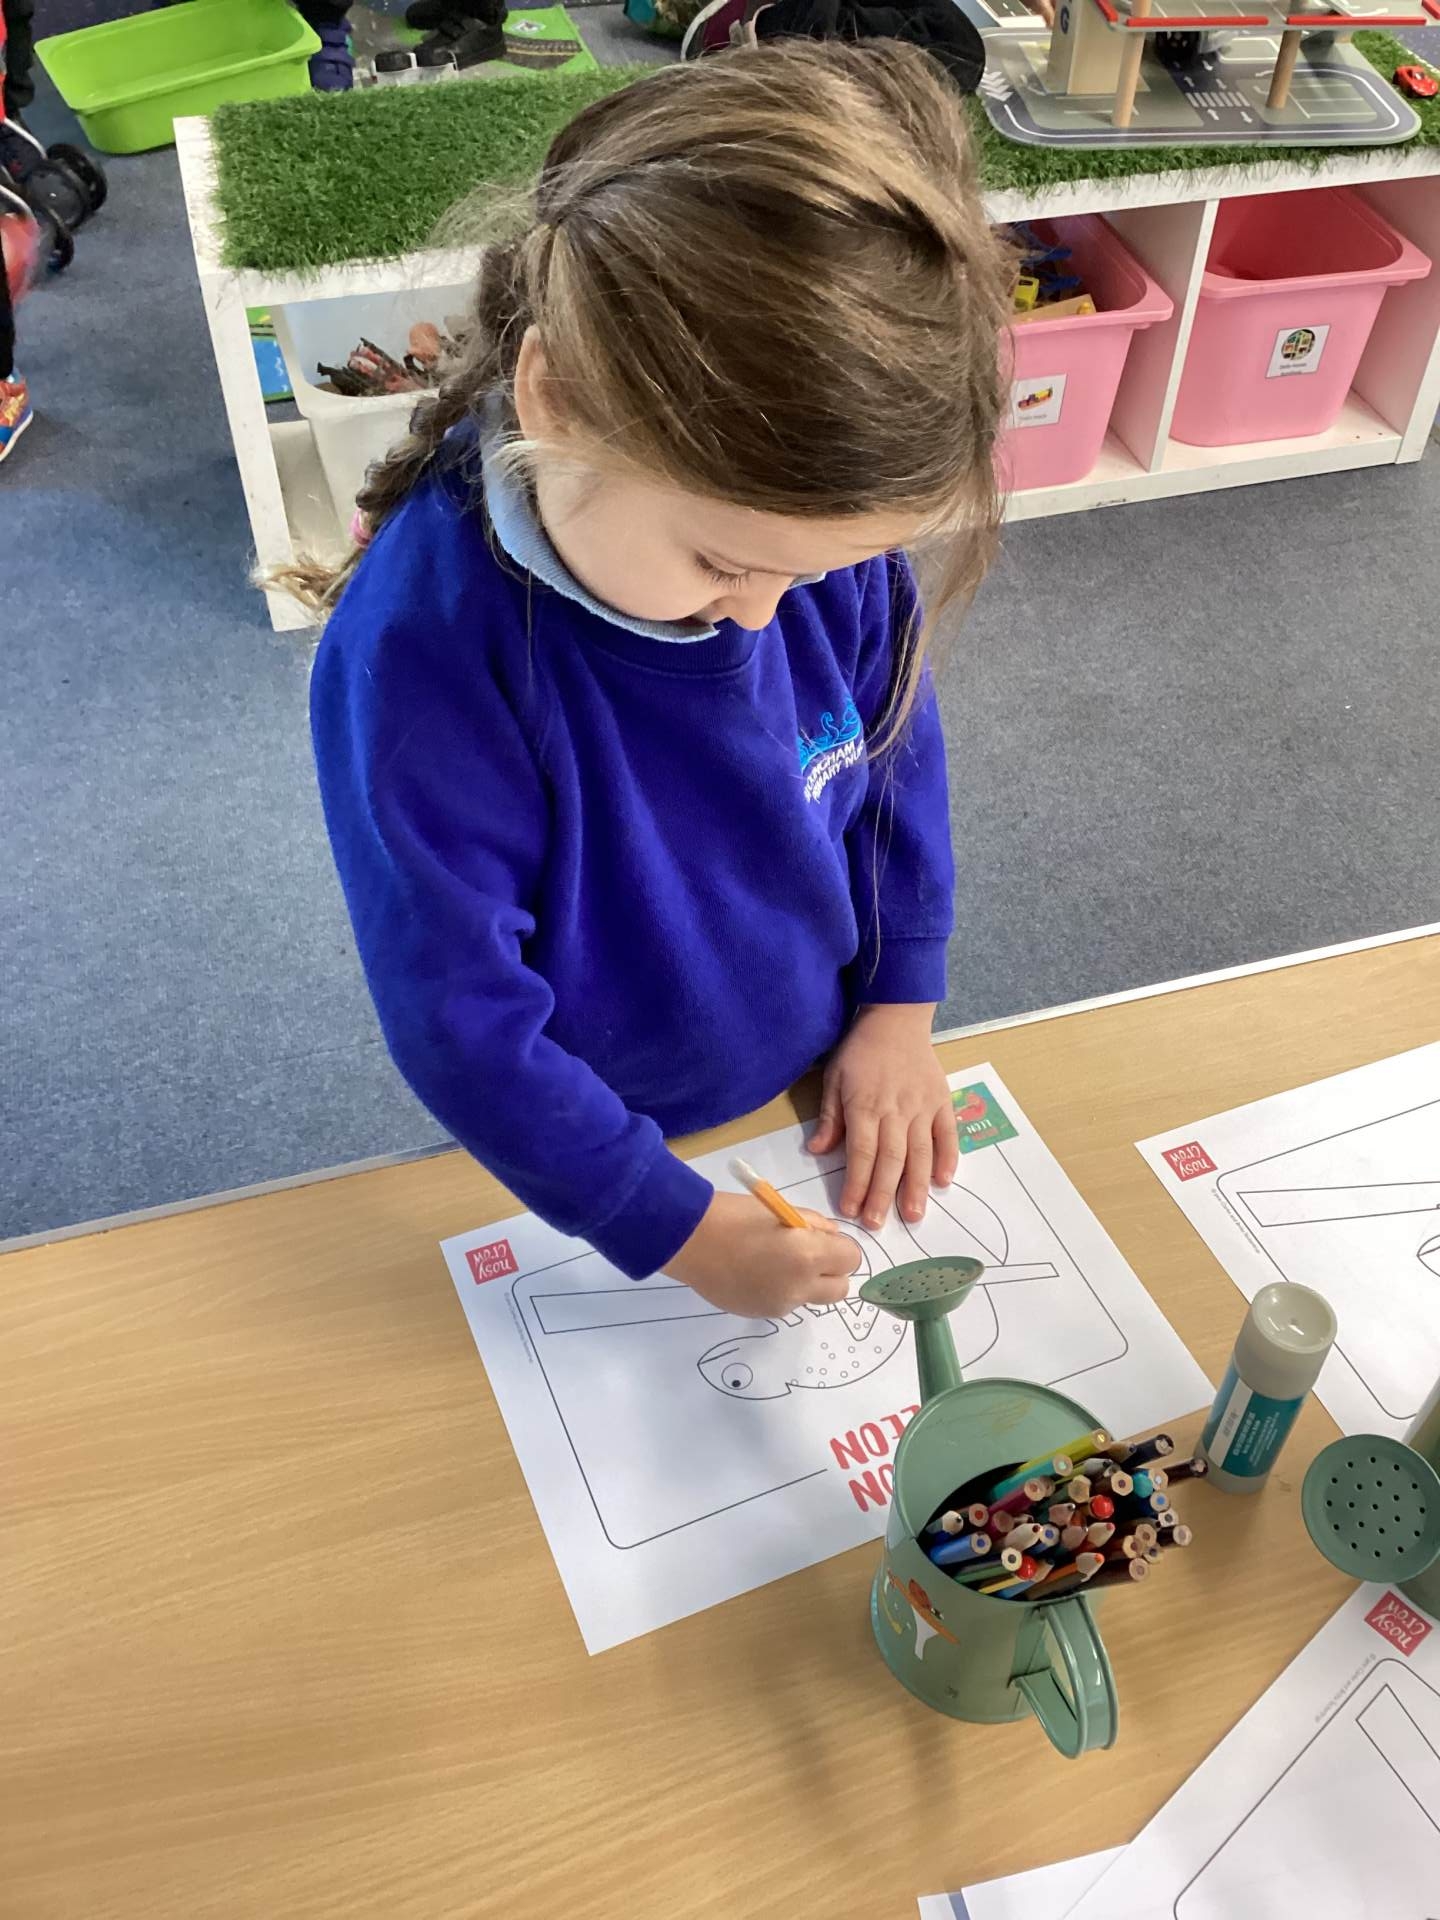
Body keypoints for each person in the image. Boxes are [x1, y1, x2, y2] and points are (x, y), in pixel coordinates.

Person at [297, 43, 1013, 1322]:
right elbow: (459, 1013)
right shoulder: (422, 661)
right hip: (597, 1126)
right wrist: (666, 1224)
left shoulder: (803, 535)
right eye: (722, 565)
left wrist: (901, 1002)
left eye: (814, 573)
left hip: (799, 1071)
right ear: (556, 401)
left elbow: (894, 754)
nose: (766, 615)